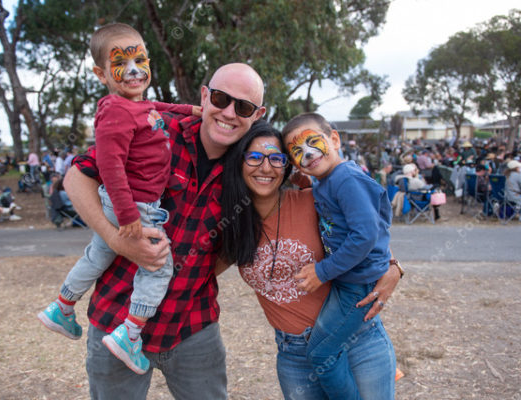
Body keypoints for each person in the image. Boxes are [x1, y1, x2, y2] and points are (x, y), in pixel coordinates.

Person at [62, 62, 396, 399]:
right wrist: (116, 240)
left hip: (192, 328)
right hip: (117, 319)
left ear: (258, 114)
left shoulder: (262, 176)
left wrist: (392, 265)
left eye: (244, 107)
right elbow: (76, 177)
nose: (229, 113)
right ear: (205, 96)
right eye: (221, 98)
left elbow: (355, 224)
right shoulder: (156, 129)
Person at [37, 23, 199, 375]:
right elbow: (109, 169)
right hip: (135, 205)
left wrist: (193, 111)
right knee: (159, 266)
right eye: (121, 64)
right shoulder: (114, 111)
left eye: (140, 60)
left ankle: (62, 307)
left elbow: (162, 105)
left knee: (97, 254)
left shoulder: (137, 105)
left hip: (130, 204)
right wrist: (128, 218)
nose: (134, 70)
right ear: (101, 74)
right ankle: (130, 333)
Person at [219, 120, 400, 399]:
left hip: (358, 340)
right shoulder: (232, 225)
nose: (265, 167)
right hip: (294, 354)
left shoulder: (313, 199)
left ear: (286, 166)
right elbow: (197, 272)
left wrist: (394, 266)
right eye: (254, 157)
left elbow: (367, 233)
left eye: (276, 159)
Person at [277, 113, 394, 399]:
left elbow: (365, 235)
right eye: (297, 152)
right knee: (323, 351)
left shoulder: (346, 178)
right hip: (350, 280)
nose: (308, 154)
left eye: (313, 142)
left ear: (334, 139)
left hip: (357, 284)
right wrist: (303, 181)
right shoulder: (327, 179)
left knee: (321, 354)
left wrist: (322, 271)